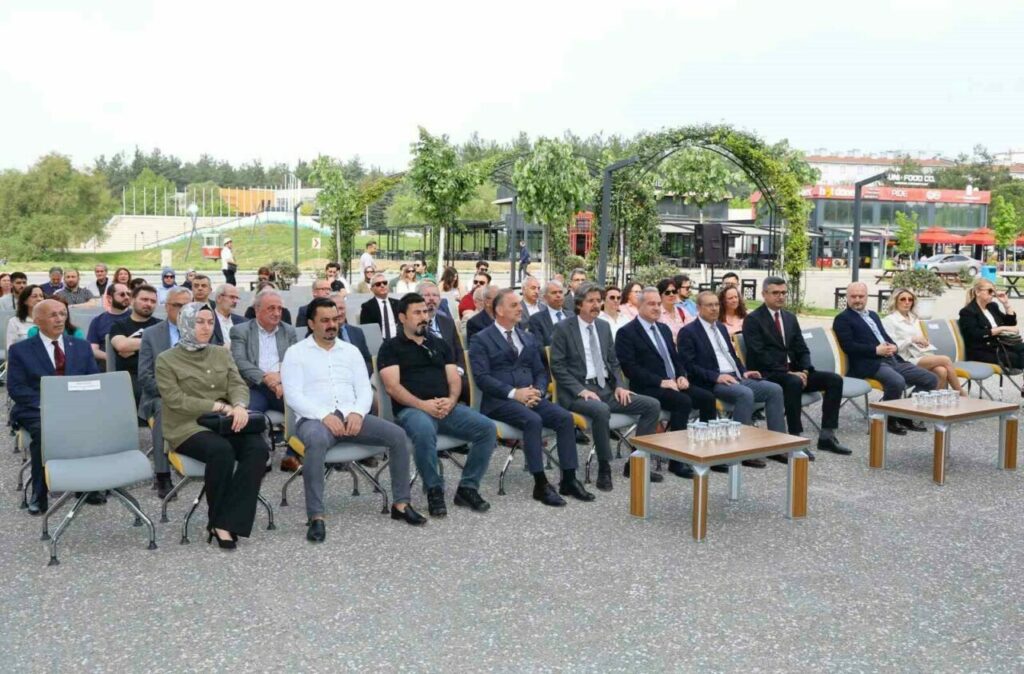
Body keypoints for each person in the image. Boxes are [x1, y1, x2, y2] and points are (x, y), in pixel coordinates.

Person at [283, 297, 422, 539]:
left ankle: (401, 504)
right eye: (324, 320)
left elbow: (365, 389)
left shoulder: (351, 351)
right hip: (314, 420)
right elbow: (293, 395)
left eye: (335, 319)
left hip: (351, 416)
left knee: (398, 435)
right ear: (311, 324)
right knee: (316, 441)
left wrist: (358, 412)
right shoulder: (296, 353)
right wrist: (324, 416)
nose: (331, 325)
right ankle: (316, 516)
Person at [156, 303, 269, 549]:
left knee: (258, 448)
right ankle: (218, 522)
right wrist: (217, 406)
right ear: (185, 323)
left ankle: (230, 519)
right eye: (199, 322)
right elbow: (175, 400)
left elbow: (237, 384)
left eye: (210, 322)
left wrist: (239, 405)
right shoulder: (166, 360)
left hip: (224, 421)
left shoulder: (221, 353)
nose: (206, 327)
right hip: (186, 425)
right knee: (221, 451)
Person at [469, 288, 590, 506]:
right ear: (499, 310)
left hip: (531, 396)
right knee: (533, 420)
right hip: (500, 401)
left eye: (519, 304)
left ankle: (569, 479)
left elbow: (540, 371)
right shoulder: (481, 339)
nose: (520, 309)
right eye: (514, 305)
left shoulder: (527, 337)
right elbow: (482, 378)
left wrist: (538, 391)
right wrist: (515, 393)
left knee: (565, 418)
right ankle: (540, 484)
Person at [379, 293, 496, 518]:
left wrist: (451, 400)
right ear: (402, 317)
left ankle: (468, 487)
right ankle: (434, 489)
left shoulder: (439, 344)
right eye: (417, 313)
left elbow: (454, 379)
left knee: (487, 428)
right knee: (424, 430)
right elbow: (392, 388)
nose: (424, 317)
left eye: (425, 312)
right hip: (412, 410)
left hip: (445, 407)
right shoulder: (391, 347)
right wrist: (423, 405)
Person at [550, 284, 661, 491]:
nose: (596, 305)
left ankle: (636, 462)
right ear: (579, 304)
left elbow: (613, 362)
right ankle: (604, 467)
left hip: (606, 389)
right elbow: (557, 366)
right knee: (601, 410)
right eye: (590, 301)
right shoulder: (563, 328)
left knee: (651, 405)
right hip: (577, 392)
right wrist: (580, 390)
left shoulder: (603, 326)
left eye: (598, 300)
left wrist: (619, 385)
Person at [8, 299, 100, 514]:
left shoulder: (81, 346)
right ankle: (39, 493)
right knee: (45, 432)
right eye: (53, 315)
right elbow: (16, 388)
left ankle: (87, 485)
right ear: (38, 321)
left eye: (63, 314)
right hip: (36, 409)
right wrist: (49, 404)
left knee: (93, 426)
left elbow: (93, 380)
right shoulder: (20, 350)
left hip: (76, 407)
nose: (60, 319)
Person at [742, 277, 851, 456]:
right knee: (793, 382)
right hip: (768, 373)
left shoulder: (789, 318)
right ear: (764, 294)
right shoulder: (753, 320)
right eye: (775, 293)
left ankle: (827, 436)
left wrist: (805, 370)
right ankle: (795, 438)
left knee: (834, 380)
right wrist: (789, 373)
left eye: (783, 293)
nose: (780, 296)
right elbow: (759, 354)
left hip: (795, 371)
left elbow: (802, 348)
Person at [616, 287, 716, 479]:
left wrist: (682, 375)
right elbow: (630, 368)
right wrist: (661, 382)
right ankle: (677, 461)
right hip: (648, 387)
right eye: (651, 304)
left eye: (658, 304)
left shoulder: (663, 329)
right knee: (683, 402)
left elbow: (675, 359)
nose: (656, 308)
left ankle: (705, 452)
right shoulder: (627, 332)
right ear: (639, 306)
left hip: (674, 383)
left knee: (707, 398)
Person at [679, 291, 786, 469]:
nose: (714, 308)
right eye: (709, 305)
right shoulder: (688, 332)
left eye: (716, 305)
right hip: (712, 382)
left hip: (736, 376)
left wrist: (744, 372)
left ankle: (777, 445)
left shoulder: (721, 328)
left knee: (774, 389)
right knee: (745, 393)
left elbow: (732, 356)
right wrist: (717, 377)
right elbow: (689, 366)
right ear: (698, 308)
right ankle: (739, 450)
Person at [834, 282, 938, 436]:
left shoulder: (873, 315)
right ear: (847, 297)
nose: (857, 300)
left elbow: (884, 336)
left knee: (930, 379)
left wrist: (894, 346)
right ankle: (889, 419)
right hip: (869, 363)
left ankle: (906, 414)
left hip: (892, 359)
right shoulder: (842, 319)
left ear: (866, 297)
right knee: (897, 381)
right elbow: (848, 346)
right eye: (853, 296)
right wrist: (876, 350)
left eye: (861, 296)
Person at [230, 290, 299, 471]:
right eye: (271, 308)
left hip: (282, 385)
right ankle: (261, 454)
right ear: (256, 309)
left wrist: (280, 378)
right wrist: (266, 378)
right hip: (254, 385)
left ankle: (292, 454)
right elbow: (239, 361)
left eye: (279, 309)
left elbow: (295, 361)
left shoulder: (288, 331)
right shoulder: (240, 331)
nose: (277, 313)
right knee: (248, 414)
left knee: (302, 407)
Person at [138, 287, 193, 497]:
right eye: (178, 305)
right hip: (159, 395)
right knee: (165, 408)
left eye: (187, 306)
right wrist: (171, 393)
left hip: (195, 394)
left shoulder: (201, 330)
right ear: (167, 307)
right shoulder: (151, 334)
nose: (182, 310)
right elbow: (145, 375)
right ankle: (162, 474)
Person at [882, 287, 965, 395]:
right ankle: (960, 393)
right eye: (903, 299)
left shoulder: (913, 318)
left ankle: (928, 402)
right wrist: (912, 339)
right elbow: (891, 347)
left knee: (942, 371)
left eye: (910, 299)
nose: (907, 302)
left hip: (919, 354)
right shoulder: (889, 320)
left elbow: (918, 337)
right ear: (895, 301)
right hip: (904, 359)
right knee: (946, 360)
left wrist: (924, 341)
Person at [109, 284, 161, 405]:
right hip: (129, 378)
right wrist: (154, 342)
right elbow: (122, 345)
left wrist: (133, 345)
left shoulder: (161, 325)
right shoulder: (119, 325)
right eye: (144, 299)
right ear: (132, 300)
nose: (149, 304)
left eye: (153, 301)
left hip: (156, 376)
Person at [958, 277, 1024, 373]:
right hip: (981, 351)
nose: (993, 294)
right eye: (990, 291)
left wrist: (1006, 304)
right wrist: (1001, 329)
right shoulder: (968, 312)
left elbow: (1010, 323)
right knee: (1016, 358)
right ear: (978, 292)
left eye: (994, 291)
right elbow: (975, 334)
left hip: (999, 345)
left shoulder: (992, 306)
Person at [85, 282, 131, 363]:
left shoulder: (137, 316)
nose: (127, 297)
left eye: (128, 294)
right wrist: (112, 358)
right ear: (110, 298)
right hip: (107, 365)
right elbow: (93, 349)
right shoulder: (97, 321)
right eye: (122, 294)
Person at [331, 292, 372, 374]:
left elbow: (367, 361)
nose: (339, 313)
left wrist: (361, 375)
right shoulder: (322, 334)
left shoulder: (357, 332)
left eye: (341, 308)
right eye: (335, 309)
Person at [528, 280, 571, 347]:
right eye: (554, 293)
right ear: (545, 297)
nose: (558, 295)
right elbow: (538, 347)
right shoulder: (536, 320)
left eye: (560, 292)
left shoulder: (572, 315)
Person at [359, 273, 401, 340]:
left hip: (399, 339)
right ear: (372, 289)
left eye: (385, 283)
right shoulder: (367, 307)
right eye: (378, 284)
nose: (382, 285)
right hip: (379, 340)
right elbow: (367, 329)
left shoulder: (398, 303)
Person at [6, 284, 44, 352]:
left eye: (41, 296)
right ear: (25, 301)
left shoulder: (49, 319)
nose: (39, 299)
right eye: (34, 296)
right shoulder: (14, 321)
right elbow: (10, 347)